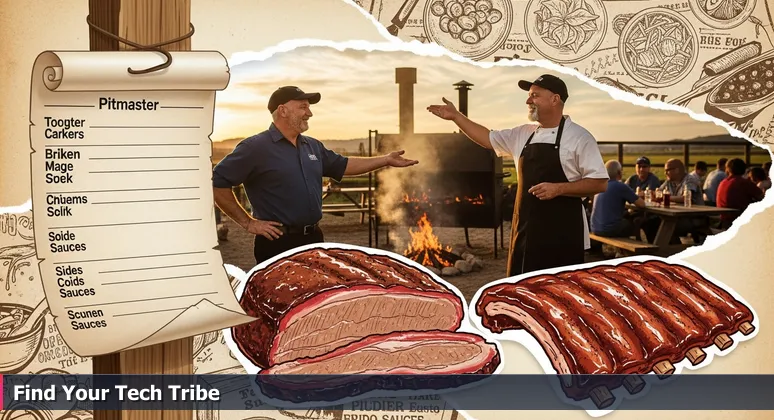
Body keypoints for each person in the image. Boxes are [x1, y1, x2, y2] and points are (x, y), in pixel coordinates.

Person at [213, 86, 418, 265]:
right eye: (303, 107)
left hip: (313, 239)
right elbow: (217, 182)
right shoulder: (255, 147)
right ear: (283, 111)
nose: (309, 113)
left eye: (309, 107)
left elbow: (344, 165)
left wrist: (385, 160)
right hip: (277, 243)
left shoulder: (311, 146)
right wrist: (248, 222)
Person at [427, 74, 608, 276]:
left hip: (563, 236)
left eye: (535, 95)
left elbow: (599, 183)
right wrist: (456, 117)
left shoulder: (579, 137)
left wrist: (559, 188)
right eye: (529, 95)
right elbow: (487, 138)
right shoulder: (523, 133)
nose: (528, 101)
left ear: (555, 99)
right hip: (524, 232)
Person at [591, 160, 646, 238]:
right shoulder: (620, 186)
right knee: (635, 222)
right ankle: (638, 243)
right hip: (609, 230)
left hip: (595, 228)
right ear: (619, 172)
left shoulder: (600, 186)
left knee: (625, 220)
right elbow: (642, 204)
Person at [717, 159, 764, 228]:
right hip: (740, 219)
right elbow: (762, 197)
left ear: (728, 169)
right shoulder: (744, 183)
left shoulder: (723, 182)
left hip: (724, 220)